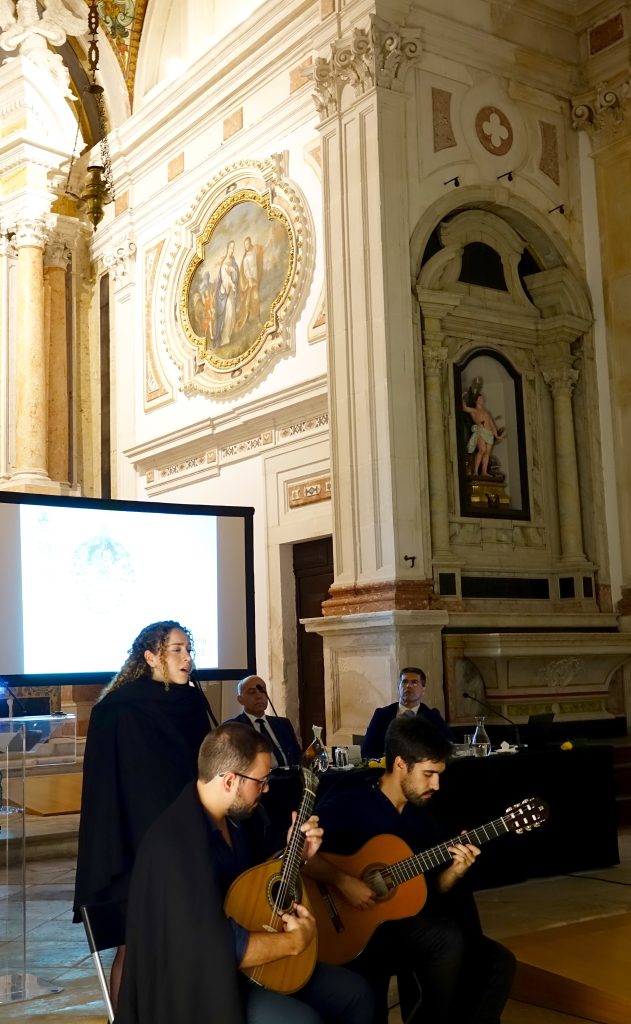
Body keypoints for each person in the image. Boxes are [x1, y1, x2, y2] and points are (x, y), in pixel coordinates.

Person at [114, 722, 373, 1024]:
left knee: (356, 994)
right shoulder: (176, 846)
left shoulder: (236, 818)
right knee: (302, 1020)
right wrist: (293, 942)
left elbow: (249, 887)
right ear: (229, 781)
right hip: (202, 987)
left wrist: (295, 854)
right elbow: (214, 944)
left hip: (244, 965)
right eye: (261, 781)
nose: (267, 788)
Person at [309, 716, 515, 1023]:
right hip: (348, 928)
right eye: (429, 774)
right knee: (446, 939)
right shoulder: (350, 801)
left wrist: (454, 871)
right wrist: (344, 881)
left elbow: (427, 891)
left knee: (497, 961)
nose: (436, 785)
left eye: (439, 775)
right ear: (401, 764)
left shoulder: (422, 817)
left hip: (397, 924)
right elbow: (300, 857)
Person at [73, 620, 213, 1006]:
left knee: (188, 938)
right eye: (177, 650)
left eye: (189, 650)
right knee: (134, 945)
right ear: (151, 657)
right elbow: (108, 791)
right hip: (135, 848)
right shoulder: (118, 709)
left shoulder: (191, 703)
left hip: (189, 839)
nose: (187, 658)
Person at [361, 666, 453, 760]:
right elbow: (367, 750)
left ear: (423, 689)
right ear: (398, 687)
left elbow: (449, 745)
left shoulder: (432, 716)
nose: (408, 686)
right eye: (404, 682)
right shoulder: (381, 715)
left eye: (414, 682)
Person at [226, 674, 303, 767]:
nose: (259, 696)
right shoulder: (233, 727)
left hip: (288, 774)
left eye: (262, 691)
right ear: (240, 700)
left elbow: (297, 756)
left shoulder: (283, 723)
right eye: (252, 692)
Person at [462, 391, 505, 477]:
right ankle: (476, 471)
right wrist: (462, 397)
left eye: (482, 398)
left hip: (489, 434)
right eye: (480, 398)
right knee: (482, 450)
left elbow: (492, 424)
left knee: (487, 453)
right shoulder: (474, 410)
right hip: (481, 432)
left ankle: (484, 472)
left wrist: (496, 435)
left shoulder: (486, 412)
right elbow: (464, 408)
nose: (482, 400)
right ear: (476, 401)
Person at [214, 240, 240, 346]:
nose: (232, 250)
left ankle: (229, 335)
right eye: (230, 247)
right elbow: (225, 278)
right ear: (227, 248)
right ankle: (225, 338)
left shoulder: (233, 262)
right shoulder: (224, 263)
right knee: (227, 314)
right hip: (226, 293)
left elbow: (236, 277)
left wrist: (234, 272)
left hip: (231, 293)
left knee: (232, 313)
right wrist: (231, 283)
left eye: (233, 248)